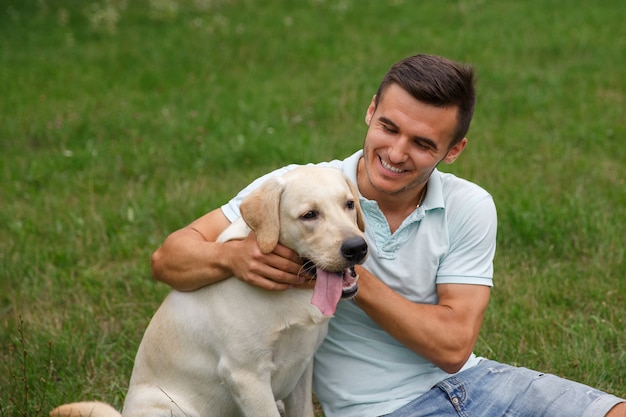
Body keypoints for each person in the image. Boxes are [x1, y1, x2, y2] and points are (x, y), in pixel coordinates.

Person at [151, 54, 625, 417]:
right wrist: (231, 259)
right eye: (389, 127)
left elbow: (453, 346)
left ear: (454, 149)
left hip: (475, 383)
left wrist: (348, 274)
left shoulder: (470, 205)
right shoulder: (302, 189)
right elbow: (168, 259)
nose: (396, 153)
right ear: (371, 111)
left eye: (422, 143)